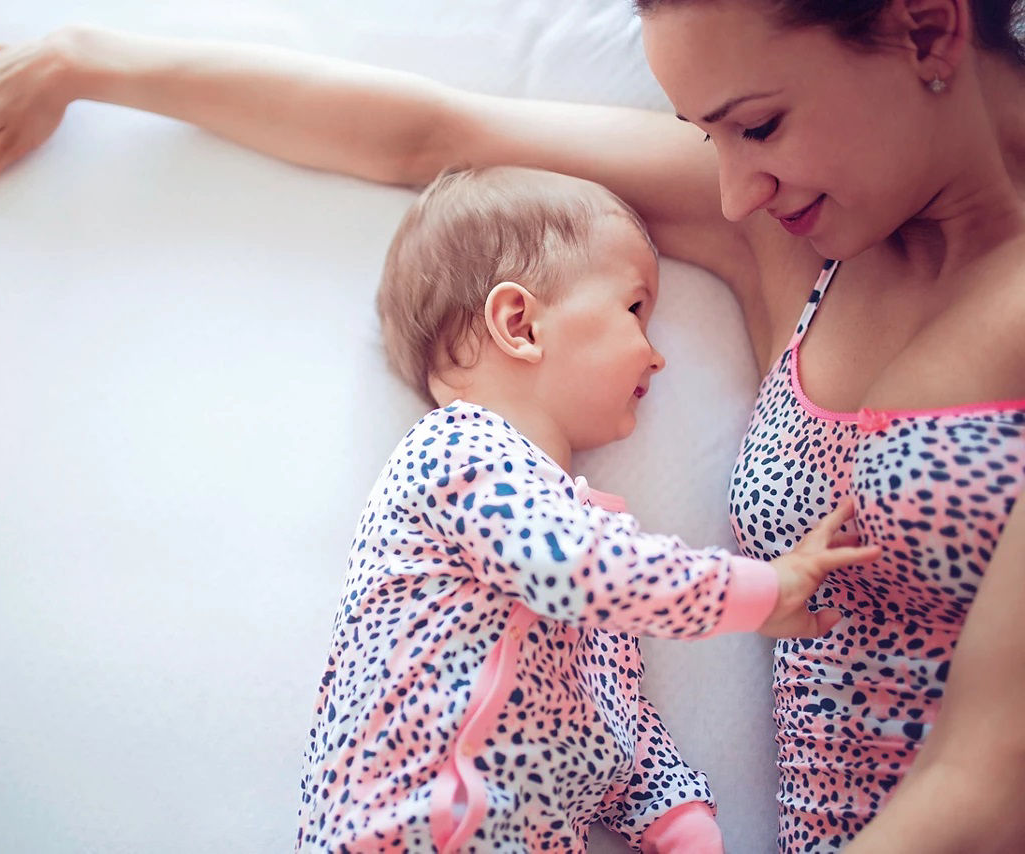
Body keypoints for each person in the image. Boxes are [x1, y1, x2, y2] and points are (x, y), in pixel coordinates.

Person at [0, 2, 1025, 850]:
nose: (728, 190)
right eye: (705, 133)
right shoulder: (796, 237)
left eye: (755, 125)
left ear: (926, 29)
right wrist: (97, 58)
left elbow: (984, 776)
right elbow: (437, 140)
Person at [299, 164, 874, 853]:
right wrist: (761, 588)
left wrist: (677, 816)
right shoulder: (455, 453)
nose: (658, 358)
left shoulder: (591, 538)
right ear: (520, 324)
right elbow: (579, 570)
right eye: (634, 310)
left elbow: (609, 726)